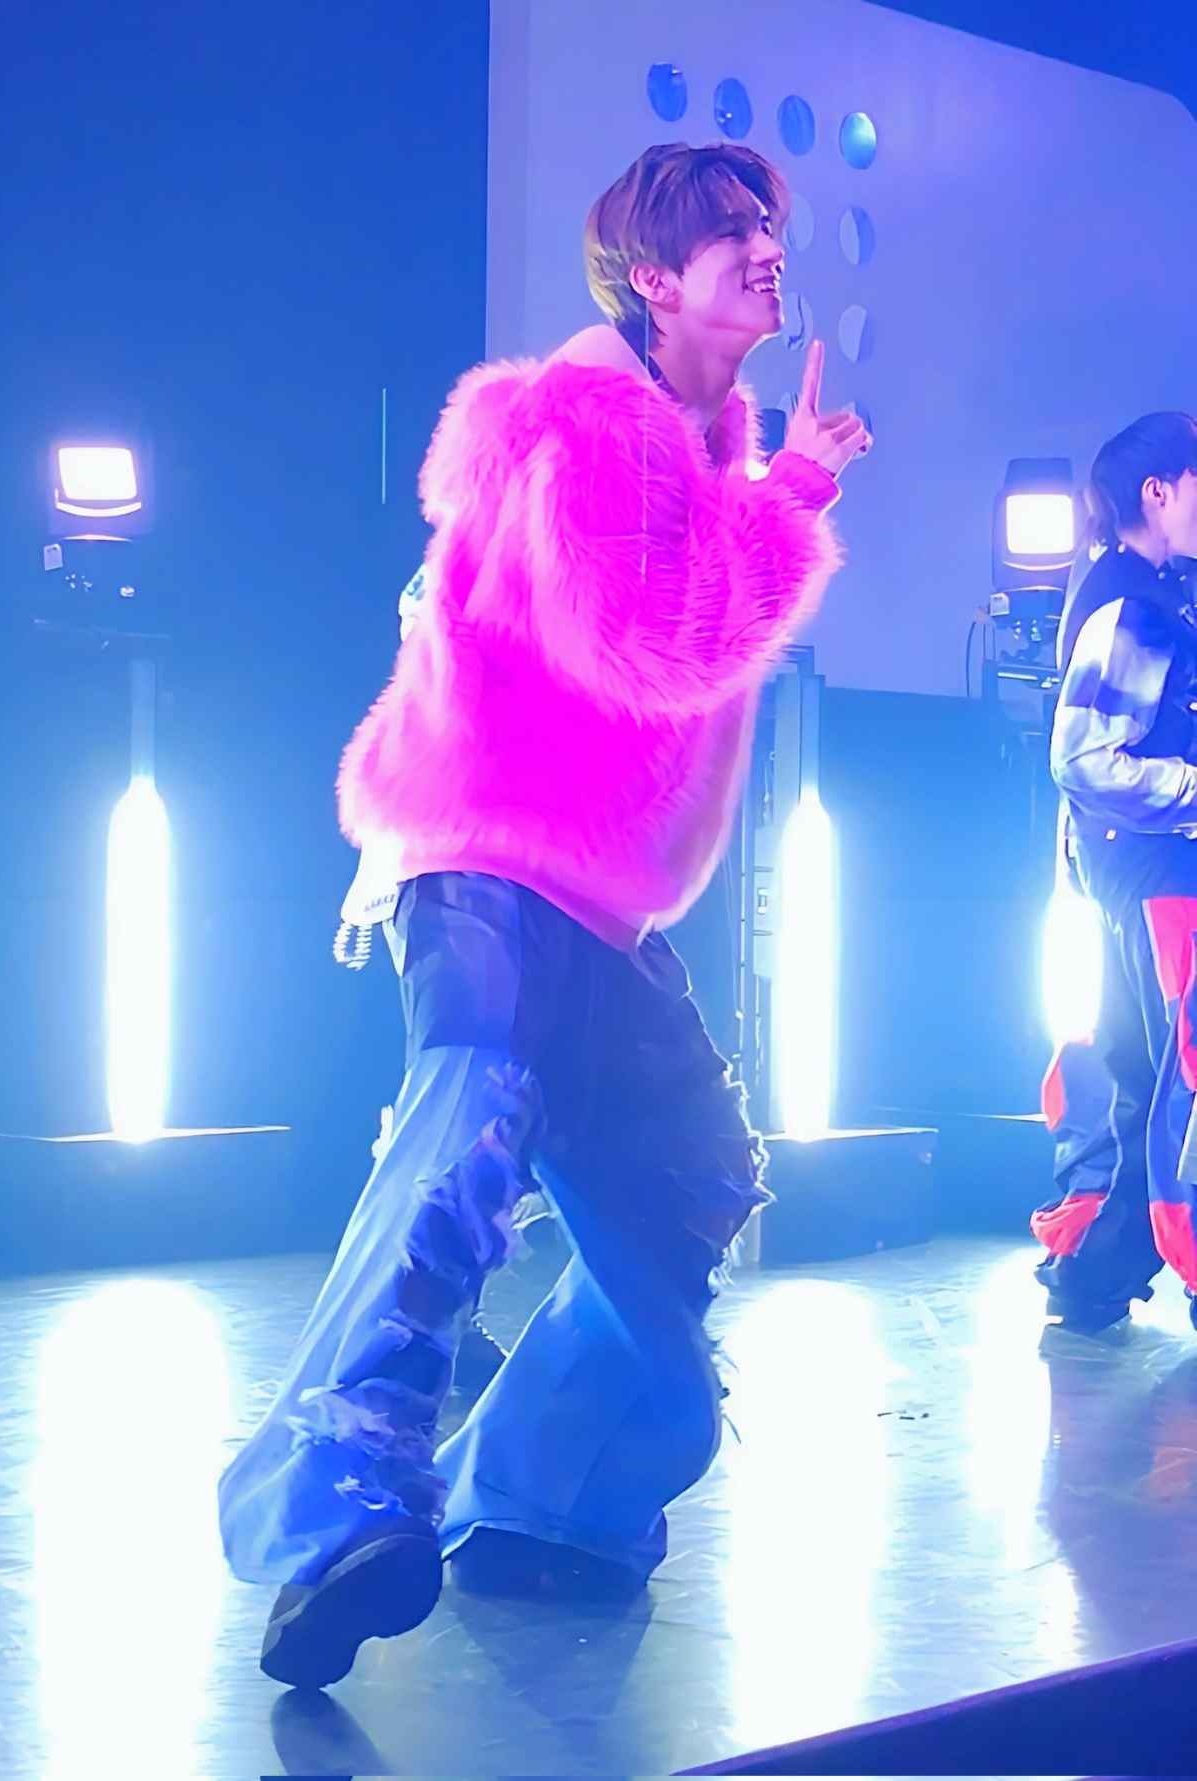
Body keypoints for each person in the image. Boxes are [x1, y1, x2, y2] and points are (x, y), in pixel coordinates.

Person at [218, 139, 868, 1690]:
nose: (764, 250)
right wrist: (794, 496)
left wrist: (765, 483)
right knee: (473, 1125)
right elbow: (658, 642)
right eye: (729, 233)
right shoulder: (586, 424)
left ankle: (544, 1498)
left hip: (595, 905)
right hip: (487, 859)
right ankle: (332, 1510)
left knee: (683, 1184)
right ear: (655, 279)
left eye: (767, 227)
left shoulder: (693, 441)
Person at [1036, 413, 1197, 1332]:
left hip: (1135, 875)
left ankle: (1099, 1271)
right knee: (1175, 1076)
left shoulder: (1134, 589)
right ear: (1158, 491)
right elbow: (1086, 758)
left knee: (1144, 1074)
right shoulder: (1134, 605)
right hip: (1158, 877)